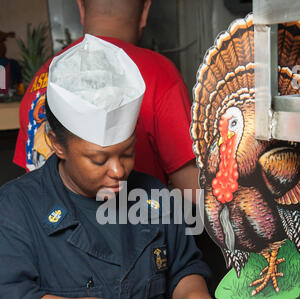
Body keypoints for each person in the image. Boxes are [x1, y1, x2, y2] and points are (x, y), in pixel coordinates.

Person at [0, 36, 245, 299]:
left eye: (127, 153)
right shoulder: (16, 207)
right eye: (99, 160)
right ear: (56, 144)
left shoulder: (154, 197)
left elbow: (183, 268)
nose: (118, 170)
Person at [13, 0, 199, 202]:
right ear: (145, 11)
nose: (117, 171)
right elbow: (193, 191)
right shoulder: (158, 73)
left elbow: (30, 183)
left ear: (81, 8)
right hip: (134, 224)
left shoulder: (42, 80)